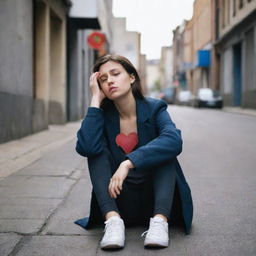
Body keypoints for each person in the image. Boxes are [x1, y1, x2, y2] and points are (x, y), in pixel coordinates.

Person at [75, 54, 193, 250]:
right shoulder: (102, 116)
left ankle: (159, 223)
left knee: (165, 148)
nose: (110, 80)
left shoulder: (155, 108)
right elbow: (86, 147)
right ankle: (112, 223)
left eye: (115, 74)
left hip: (156, 199)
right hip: (119, 201)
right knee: (95, 149)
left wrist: (128, 162)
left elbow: (174, 140)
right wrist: (95, 99)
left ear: (131, 77)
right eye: (103, 79)